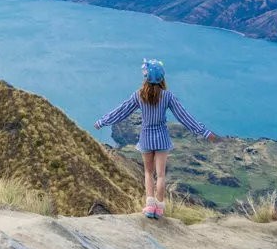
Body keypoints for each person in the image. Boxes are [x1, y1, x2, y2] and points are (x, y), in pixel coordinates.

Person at [94, 58, 219, 219]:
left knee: (148, 173)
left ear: (145, 77)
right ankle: (159, 209)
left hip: (146, 138)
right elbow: (184, 117)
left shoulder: (139, 95)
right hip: (162, 138)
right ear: (162, 78)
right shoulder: (167, 96)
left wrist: (102, 122)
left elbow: (121, 111)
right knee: (160, 175)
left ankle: (149, 207)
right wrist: (205, 132)